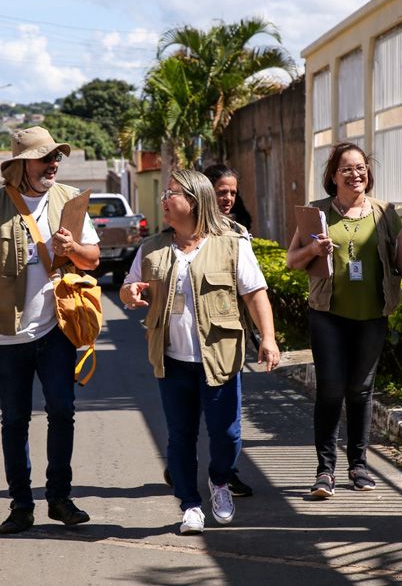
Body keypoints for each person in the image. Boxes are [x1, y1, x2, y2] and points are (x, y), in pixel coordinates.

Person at [120, 169, 281, 535]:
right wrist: (130, 295)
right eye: (164, 194)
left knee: (227, 435)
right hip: (173, 360)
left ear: (193, 201)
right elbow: (131, 288)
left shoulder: (231, 244)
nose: (164, 200)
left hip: (219, 358)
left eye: (171, 194)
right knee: (180, 436)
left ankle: (220, 482)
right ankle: (190, 504)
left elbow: (255, 294)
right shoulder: (151, 248)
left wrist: (268, 338)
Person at [0, 126, 100, 534]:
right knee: (14, 420)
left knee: (62, 411)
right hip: (7, 333)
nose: (53, 164)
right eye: (45, 158)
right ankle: (21, 504)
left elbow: (92, 259)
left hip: (57, 328)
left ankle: (59, 497)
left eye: (56, 157)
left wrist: (72, 249)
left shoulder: (69, 201)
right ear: (22, 165)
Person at [286, 142, 402, 498]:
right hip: (328, 315)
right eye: (347, 169)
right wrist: (313, 249)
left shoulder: (384, 213)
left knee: (361, 390)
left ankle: (359, 466)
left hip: (371, 317)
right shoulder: (317, 213)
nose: (356, 174)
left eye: (361, 167)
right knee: (331, 389)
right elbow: (292, 260)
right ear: (333, 177)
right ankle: (325, 472)